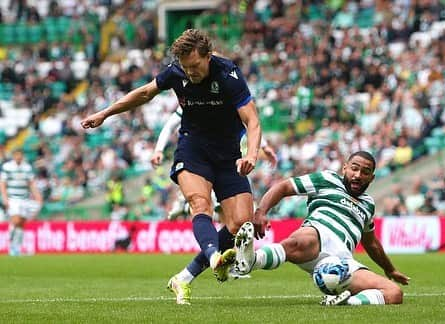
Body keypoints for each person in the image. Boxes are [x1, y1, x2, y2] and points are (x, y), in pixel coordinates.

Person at [80, 29, 262, 304]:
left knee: (240, 224)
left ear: (208, 56)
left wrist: (252, 154)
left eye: (195, 66)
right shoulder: (176, 72)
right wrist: (105, 113)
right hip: (193, 149)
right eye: (185, 67)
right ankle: (214, 257)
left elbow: (252, 121)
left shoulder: (228, 74)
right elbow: (144, 93)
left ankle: (183, 278)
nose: (190, 73)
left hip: (227, 156)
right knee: (200, 204)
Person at [234, 151, 410, 306]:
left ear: (371, 178)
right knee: (300, 241)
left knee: (394, 293)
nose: (358, 175)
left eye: (365, 172)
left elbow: (371, 244)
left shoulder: (368, 205)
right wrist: (261, 212)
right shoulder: (327, 179)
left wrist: (390, 269)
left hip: (341, 262)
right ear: (345, 169)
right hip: (318, 234)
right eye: (354, 169)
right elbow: (285, 187)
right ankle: (251, 260)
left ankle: (346, 301)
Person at [149, 106, 278, 220]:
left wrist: (265, 146)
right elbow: (171, 123)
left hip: (229, 161)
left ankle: (187, 206)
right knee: (207, 205)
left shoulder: (232, 99)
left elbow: (252, 125)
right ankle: (187, 204)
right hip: (206, 158)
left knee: (237, 217)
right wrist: (158, 149)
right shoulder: (195, 99)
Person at [0, 150, 43, 256]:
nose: (19, 157)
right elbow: (3, 183)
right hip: (12, 198)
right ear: (14, 155)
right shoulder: (7, 167)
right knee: (16, 220)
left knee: (21, 224)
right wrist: (5, 198)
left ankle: (16, 248)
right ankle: (11, 236)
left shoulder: (27, 167)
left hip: (24, 198)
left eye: (20, 155)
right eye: (17, 154)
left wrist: (38, 196)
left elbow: (31, 183)